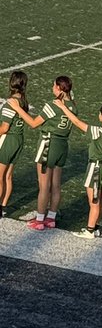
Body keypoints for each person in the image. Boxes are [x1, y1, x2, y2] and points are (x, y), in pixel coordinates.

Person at [11, 75, 77, 231]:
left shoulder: (52, 105)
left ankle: (40, 218)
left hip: (49, 144)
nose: (52, 88)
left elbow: (34, 123)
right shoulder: (73, 106)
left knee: (44, 185)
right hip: (62, 146)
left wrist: (17, 108)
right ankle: (51, 218)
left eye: (54, 86)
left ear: (60, 88)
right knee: (56, 185)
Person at [52, 100, 102, 239]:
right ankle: (96, 227)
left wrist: (63, 108)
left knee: (94, 201)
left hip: (95, 168)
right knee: (100, 200)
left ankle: (90, 230)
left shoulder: (99, 131)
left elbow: (77, 122)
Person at [0, 70, 29, 218]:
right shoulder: (24, 101)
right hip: (18, 139)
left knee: (0, 177)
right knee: (8, 176)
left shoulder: (10, 103)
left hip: (8, 140)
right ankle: (3, 206)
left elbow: (4, 128)